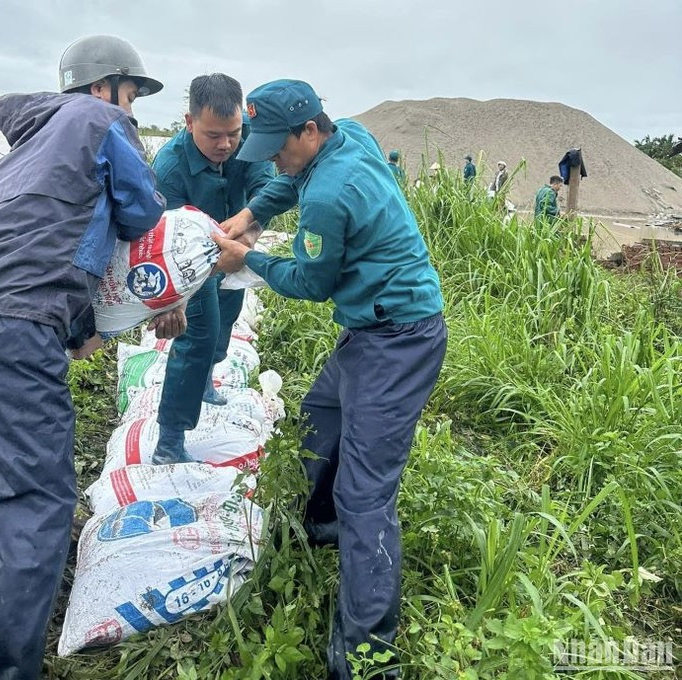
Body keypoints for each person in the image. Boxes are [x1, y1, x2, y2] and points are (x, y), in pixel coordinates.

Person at [0, 35, 176, 679]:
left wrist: (78, 327)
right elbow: (142, 211)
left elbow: (42, 241)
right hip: (18, 329)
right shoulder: (100, 120)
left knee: (5, 488)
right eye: (131, 94)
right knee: (37, 506)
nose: (132, 109)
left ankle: (4, 618)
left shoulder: (23, 152)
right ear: (104, 87)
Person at [213, 79, 447, 679]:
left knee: (366, 495)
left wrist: (248, 258)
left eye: (278, 146)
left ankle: (368, 656)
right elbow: (288, 181)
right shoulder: (352, 137)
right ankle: (321, 525)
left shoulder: (328, 195)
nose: (272, 159)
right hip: (371, 331)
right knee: (321, 415)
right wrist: (250, 215)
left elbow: (312, 283)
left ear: (310, 130)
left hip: (396, 342)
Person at [150, 73, 279, 463]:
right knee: (197, 336)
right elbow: (166, 242)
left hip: (237, 242)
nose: (225, 144)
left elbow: (266, 191)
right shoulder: (169, 168)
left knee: (227, 315)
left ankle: (206, 377)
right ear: (189, 122)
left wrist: (246, 240)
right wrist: (172, 300)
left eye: (233, 134)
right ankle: (169, 440)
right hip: (190, 260)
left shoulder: (249, 140)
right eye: (213, 135)